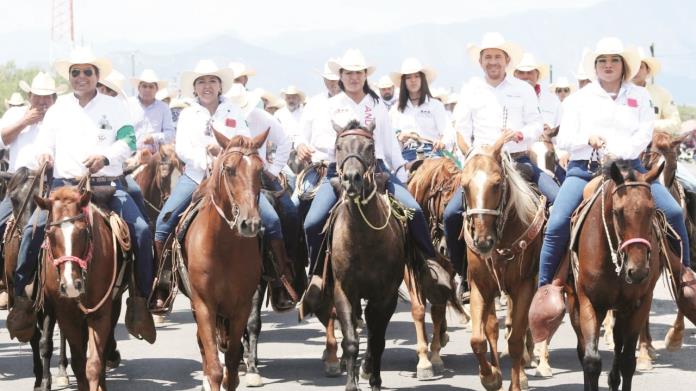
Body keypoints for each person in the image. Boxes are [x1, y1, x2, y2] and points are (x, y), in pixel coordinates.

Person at [529, 37, 696, 338]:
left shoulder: (639, 96)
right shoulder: (578, 99)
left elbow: (645, 131)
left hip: (631, 169)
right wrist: (587, 139)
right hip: (585, 170)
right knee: (556, 223)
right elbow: (564, 139)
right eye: (602, 61)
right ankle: (546, 289)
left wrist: (618, 152)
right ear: (595, 67)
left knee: (672, 211)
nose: (608, 65)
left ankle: (684, 277)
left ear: (624, 66)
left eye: (614, 60)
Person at [6, 47, 156, 343]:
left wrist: (105, 156)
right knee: (31, 231)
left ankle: (140, 301)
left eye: (87, 72)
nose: (81, 77)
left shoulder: (114, 107)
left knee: (140, 230)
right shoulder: (59, 108)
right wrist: (44, 154)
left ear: (97, 76)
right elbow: (44, 142)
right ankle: (23, 300)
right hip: (64, 188)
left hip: (105, 184)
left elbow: (128, 139)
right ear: (70, 77)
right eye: (75, 72)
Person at [295, 49, 443, 313]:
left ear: (365, 76)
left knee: (414, 210)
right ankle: (317, 277)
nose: (353, 77)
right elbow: (315, 140)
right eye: (348, 73)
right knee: (312, 222)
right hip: (337, 174)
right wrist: (311, 147)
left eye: (358, 73)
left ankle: (429, 268)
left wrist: (401, 177)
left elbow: (389, 145)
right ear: (340, 76)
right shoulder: (329, 105)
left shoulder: (377, 106)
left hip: (376, 172)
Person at [443, 32, 559, 283]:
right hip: (482, 165)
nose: (493, 61)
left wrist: (520, 134)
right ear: (481, 61)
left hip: (518, 161)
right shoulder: (471, 90)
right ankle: (463, 272)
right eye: (488, 57)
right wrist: (472, 153)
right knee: (451, 214)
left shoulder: (523, 89)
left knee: (558, 203)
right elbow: (461, 128)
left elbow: (536, 124)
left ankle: (554, 275)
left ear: (507, 60)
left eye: (497, 56)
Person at [151, 60, 247, 311]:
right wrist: (206, 158)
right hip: (196, 177)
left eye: (212, 81)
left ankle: (278, 277)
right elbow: (182, 148)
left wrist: (224, 152)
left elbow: (245, 142)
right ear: (195, 87)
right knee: (163, 222)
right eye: (201, 82)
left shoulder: (233, 112)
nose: (207, 86)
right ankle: (162, 282)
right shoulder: (188, 113)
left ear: (220, 85)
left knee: (270, 219)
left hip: (231, 178)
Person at [225, 83, 298, 309]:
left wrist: (274, 170)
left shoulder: (262, 117)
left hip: (259, 174)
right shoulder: (222, 117)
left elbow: (285, 142)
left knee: (286, 215)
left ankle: (282, 277)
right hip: (229, 176)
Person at [0, 72, 60, 309]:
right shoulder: (16, 114)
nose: (43, 103)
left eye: (47, 98)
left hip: (51, 183)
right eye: (38, 97)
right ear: (29, 96)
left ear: (55, 98)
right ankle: (4, 283)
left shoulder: (60, 116)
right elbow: (2, 139)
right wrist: (25, 121)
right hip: (19, 184)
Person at [632, 47, 696, 192]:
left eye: (640, 66)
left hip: (659, 154)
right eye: (633, 66)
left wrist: (647, 126)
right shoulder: (619, 94)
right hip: (627, 156)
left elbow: (675, 124)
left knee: (693, 185)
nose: (636, 70)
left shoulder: (662, 94)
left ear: (647, 71)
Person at [389, 57, 448, 162]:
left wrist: (443, 141)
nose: (413, 80)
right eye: (408, 77)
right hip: (406, 156)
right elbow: (389, 139)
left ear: (422, 79)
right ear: (404, 81)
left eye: (417, 76)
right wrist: (399, 138)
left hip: (433, 153)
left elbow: (448, 131)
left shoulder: (436, 105)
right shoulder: (395, 110)